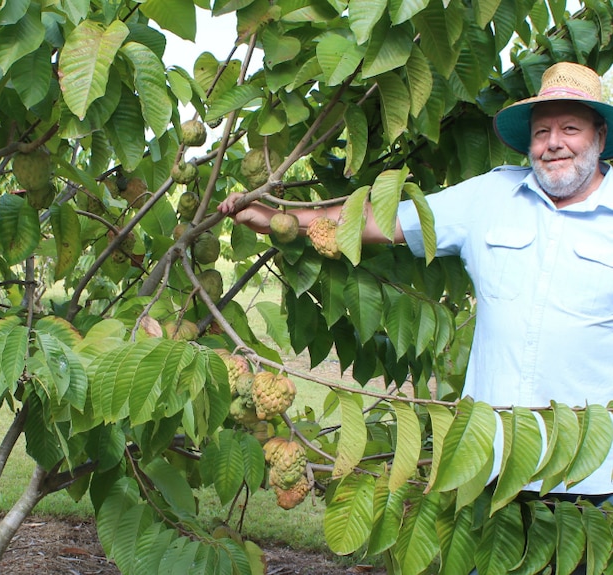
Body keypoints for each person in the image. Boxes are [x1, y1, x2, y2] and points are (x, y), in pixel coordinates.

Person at [219, 61, 613, 567]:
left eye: (570, 128)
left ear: (599, 136)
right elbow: (376, 222)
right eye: (542, 131)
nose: (553, 142)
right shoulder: (491, 196)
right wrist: (278, 219)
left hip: (590, 475)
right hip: (488, 465)